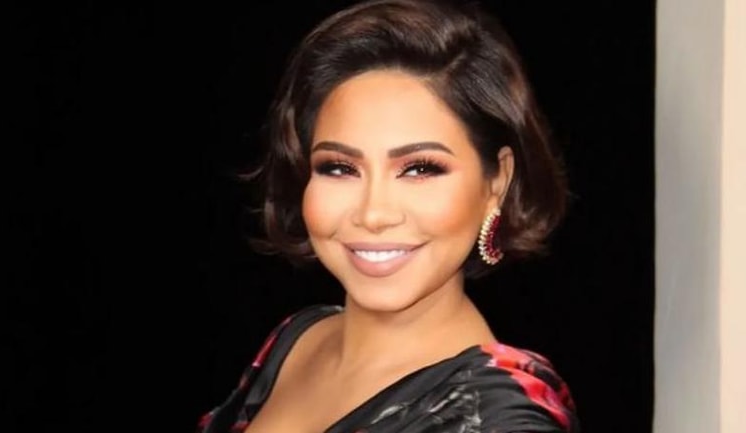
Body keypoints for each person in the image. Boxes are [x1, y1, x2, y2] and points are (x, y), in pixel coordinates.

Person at [198, 0, 579, 431]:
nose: (373, 213)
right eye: (339, 168)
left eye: (419, 169)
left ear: (497, 183)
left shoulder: (499, 421)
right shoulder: (299, 337)